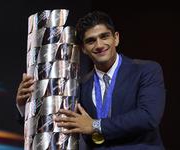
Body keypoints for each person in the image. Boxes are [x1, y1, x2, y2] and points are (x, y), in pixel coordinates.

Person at [16, 11, 166, 150]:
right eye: (91, 41)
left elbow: (148, 116)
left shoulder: (145, 70)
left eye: (104, 36)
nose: (99, 45)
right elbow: (53, 124)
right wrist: (25, 107)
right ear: (83, 48)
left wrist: (95, 126)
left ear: (116, 38)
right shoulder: (78, 85)